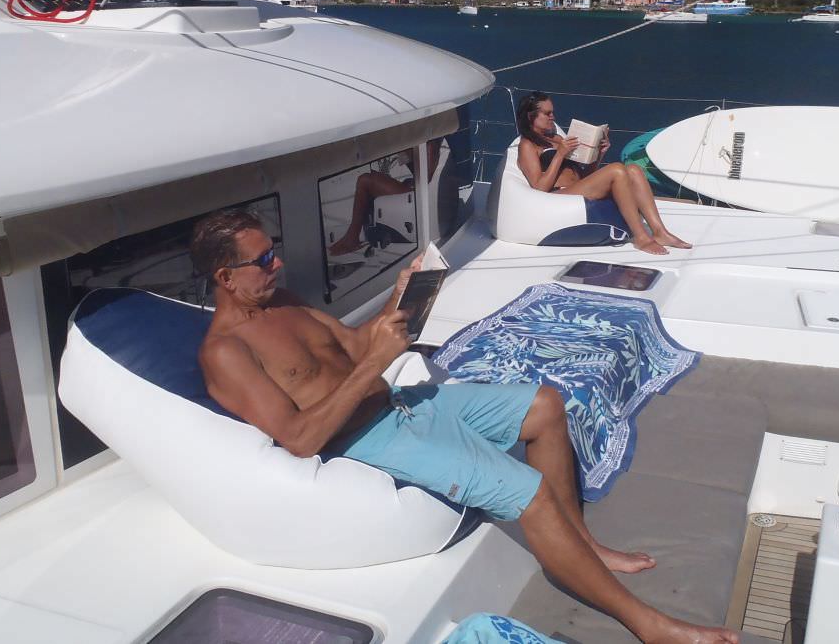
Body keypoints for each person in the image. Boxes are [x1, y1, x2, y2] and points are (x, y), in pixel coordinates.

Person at [192, 209, 735, 644]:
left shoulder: (284, 304)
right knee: (530, 491)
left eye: (273, 251)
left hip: (400, 402)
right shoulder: (226, 352)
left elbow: (354, 347)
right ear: (226, 277)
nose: (278, 263)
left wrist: (402, 298)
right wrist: (375, 363)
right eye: (263, 259)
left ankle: (583, 543)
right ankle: (648, 625)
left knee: (545, 404)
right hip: (369, 437)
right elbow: (299, 439)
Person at [514, 92, 693, 255]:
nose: (553, 117)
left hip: (577, 188)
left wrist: (598, 154)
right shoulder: (528, 145)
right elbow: (539, 187)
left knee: (633, 170)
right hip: (558, 196)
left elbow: (584, 177)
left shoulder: (556, 138)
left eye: (552, 112)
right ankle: (641, 238)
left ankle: (660, 232)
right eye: (547, 113)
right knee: (616, 170)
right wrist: (560, 154)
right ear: (531, 116)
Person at [328, 139, 442, 256]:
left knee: (365, 181)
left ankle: (352, 237)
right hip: (418, 189)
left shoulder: (427, 143)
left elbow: (427, 175)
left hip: (417, 194)